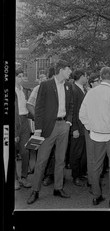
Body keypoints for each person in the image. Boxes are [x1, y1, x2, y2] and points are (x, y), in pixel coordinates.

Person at [27, 60, 74, 204]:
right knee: (42, 161)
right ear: (61, 70)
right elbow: (39, 108)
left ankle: (58, 188)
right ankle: (35, 190)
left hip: (63, 126)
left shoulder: (68, 86)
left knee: (61, 160)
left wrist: (68, 122)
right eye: (68, 70)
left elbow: (71, 106)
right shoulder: (45, 85)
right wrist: (38, 129)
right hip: (48, 127)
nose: (70, 72)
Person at [79, 66, 110, 208]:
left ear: (100, 77)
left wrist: (90, 126)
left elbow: (82, 114)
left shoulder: (91, 93)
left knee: (95, 167)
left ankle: (96, 196)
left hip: (95, 135)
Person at [70, 69, 88, 187]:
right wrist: (74, 128)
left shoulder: (82, 89)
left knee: (82, 152)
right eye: (86, 76)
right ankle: (75, 176)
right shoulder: (73, 90)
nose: (87, 78)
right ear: (81, 76)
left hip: (84, 127)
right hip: (77, 127)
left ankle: (81, 173)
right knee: (76, 152)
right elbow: (73, 110)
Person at [15, 69, 32, 188]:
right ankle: (15, 179)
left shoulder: (24, 91)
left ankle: (24, 177)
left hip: (25, 121)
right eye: (19, 76)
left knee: (25, 151)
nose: (21, 78)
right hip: (15, 121)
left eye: (22, 76)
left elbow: (27, 107)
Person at [84, 71, 101, 189]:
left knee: (96, 156)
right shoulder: (90, 95)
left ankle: (95, 180)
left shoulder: (97, 93)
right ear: (91, 83)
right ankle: (92, 181)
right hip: (91, 128)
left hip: (97, 128)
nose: (100, 83)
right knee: (92, 156)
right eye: (97, 81)